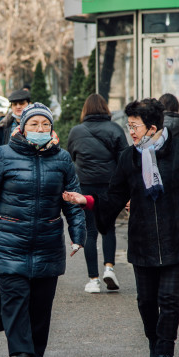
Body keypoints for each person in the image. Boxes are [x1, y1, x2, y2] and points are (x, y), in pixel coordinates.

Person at [63, 98, 179, 357]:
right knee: (146, 302)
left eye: (134, 126)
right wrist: (86, 200)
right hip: (143, 238)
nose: (130, 132)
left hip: (177, 236)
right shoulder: (129, 157)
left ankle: (165, 354)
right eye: (129, 126)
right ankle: (154, 342)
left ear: (151, 128)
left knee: (169, 300)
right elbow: (113, 197)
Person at [0, 103, 86, 357]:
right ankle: (20, 353)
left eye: (45, 125)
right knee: (15, 298)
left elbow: (72, 200)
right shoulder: (3, 155)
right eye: (34, 124)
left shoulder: (62, 159)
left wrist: (78, 234)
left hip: (47, 241)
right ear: (22, 127)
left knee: (41, 303)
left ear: (51, 128)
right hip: (8, 240)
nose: (40, 129)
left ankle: (35, 353)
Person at [67, 93, 129, 294]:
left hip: (85, 186)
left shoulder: (76, 131)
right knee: (108, 227)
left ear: (85, 110)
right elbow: (125, 160)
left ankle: (93, 279)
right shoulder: (115, 129)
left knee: (90, 231)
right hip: (110, 186)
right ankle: (109, 268)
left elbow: (71, 157)